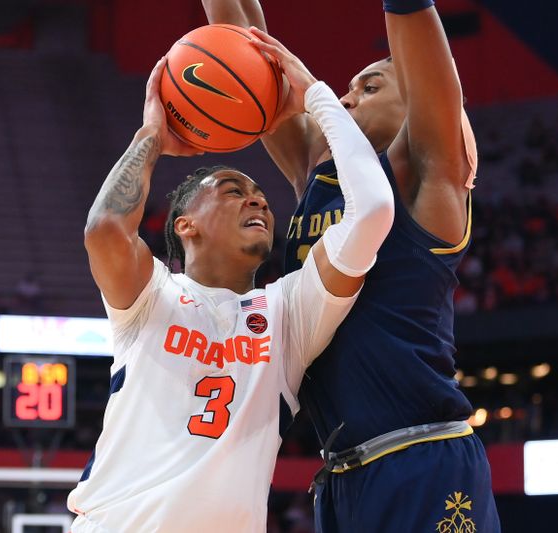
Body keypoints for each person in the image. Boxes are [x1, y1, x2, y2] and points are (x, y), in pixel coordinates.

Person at [66, 34, 394, 532]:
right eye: (233, 190)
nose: (258, 201)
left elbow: (372, 210)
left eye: (261, 195)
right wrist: (152, 135)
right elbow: (104, 229)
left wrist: (317, 98)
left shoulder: (288, 313)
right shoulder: (151, 298)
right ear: (185, 224)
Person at [203, 0, 501, 531]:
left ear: (416, 105)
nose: (346, 96)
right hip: (341, 477)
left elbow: (429, 66)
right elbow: (248, 47)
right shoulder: (318, 177)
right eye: (348, 88)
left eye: (371, 86)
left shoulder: (427, 180)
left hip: (423, 459)